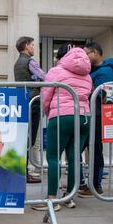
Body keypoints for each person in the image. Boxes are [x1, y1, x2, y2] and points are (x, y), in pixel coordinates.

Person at [32, 45, 92, 211]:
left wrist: (48, 111)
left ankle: (52, 199)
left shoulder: (56, 71)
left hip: (61, 116)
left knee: (53, 158)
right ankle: (69, 197)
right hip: (84, 117)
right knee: (75, 157)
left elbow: (46, 95)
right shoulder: (87, 75)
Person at [79, 42, 113, 197]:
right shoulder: (93, 71)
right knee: (88, 149)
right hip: (91, 116)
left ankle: (95, 186)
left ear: (95, 52)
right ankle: (86, 184)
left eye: (86, 53)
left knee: (94, 150)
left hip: (97, 116)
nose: (84, 56)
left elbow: (101, 95)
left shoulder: (105, 72)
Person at [14, 36, 46, 184]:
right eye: (32, 45)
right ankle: (25, 173)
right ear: (26, 46)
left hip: (23, 102)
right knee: (30, 139)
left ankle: (23, 172)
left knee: (24, 139)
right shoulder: (30, 62)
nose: (34, 47)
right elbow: (45, 77)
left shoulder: (17, 63)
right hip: (33, 104)